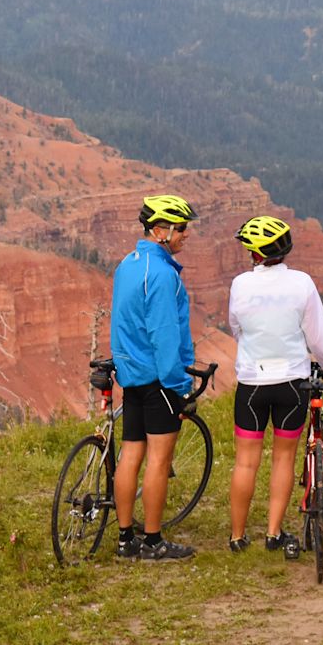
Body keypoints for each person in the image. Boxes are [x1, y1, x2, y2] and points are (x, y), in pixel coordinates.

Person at [227, 215, 323, 553]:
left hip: (251, 384)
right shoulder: (302, 283)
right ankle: (273, 533)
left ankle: (237, 537)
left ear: (253, 252)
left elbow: (236, 328)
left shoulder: (240, 285)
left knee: (245, 462)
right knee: (283, 458)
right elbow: (319, 341)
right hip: (292, 384)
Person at [109, 194, 200, 561]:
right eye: (181, 229)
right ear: (161, 231)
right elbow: (165, 335)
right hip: (159, 381)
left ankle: (124, 539)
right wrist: (180, 385)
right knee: (159, 461)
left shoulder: (126, 266)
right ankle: (152, 541)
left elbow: (121, 321)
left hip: (131, 377)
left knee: (130, 454)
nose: (185, 236)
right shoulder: (163, 275)